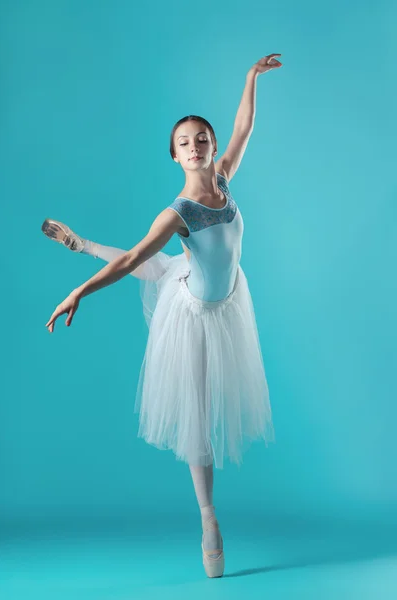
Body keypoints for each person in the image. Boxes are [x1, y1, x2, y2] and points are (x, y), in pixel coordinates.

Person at [43, 54, 282, 578]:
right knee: (194, 405)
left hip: (225, 298)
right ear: (173, 156)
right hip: (194, 313)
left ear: (212, 147)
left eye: (202, 138)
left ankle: (82, 243)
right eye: (184, 142)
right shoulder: (177, 213)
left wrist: (248, 78)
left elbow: (244, 127)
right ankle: (208, 519)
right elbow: (132, 258)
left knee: (162, 271)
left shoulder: (224, 177)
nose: (195, 146)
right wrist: (80, 291)